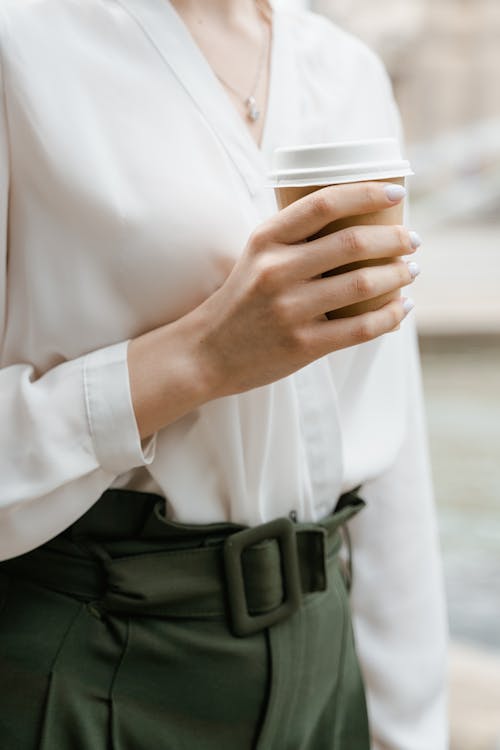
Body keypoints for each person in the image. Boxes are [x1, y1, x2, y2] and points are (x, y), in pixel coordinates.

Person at [0, 0, 448, 748]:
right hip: (94, 666)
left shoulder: (348, 71)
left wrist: (411, 724)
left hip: (326, 671)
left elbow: (388, 433)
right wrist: (200, 358)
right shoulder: (22, 44)